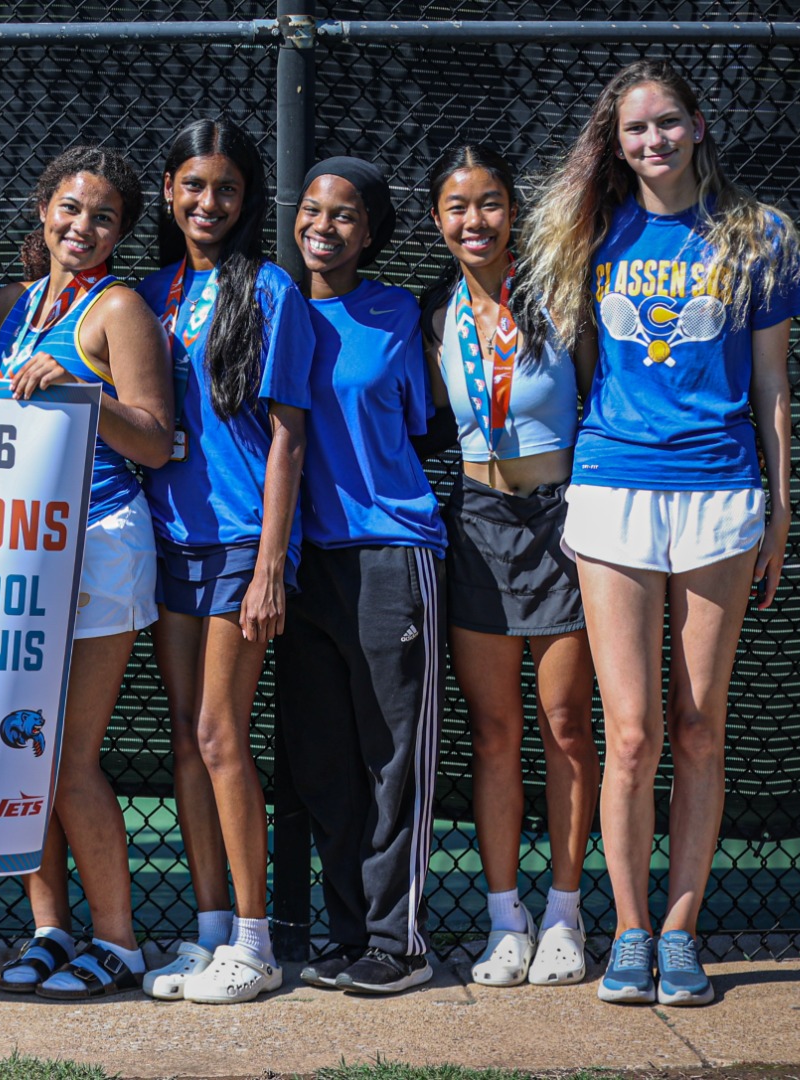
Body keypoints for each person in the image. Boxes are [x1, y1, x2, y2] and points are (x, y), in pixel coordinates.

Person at [519, 59, 800, 1007]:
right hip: (613, 493)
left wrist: (778, 502)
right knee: (632, 735)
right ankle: (630, 933)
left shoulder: (758, 234)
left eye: (669, 123)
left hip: (721, 494)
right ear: (617, 141)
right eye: (636, 129)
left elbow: (771, 385)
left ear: (696, 126)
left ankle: (682, 932)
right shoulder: (591, 228)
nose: (654, 141)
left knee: (697, 727)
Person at [0, 146, 174, 1000]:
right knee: (25, 755)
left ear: (121, 230)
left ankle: (121, 943)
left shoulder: (119, 308)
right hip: (21, 548)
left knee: (70, 760)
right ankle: (51, 930)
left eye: (101, 216)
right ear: (43, 209)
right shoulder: (12, 305)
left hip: (100, 537)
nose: (81, 226)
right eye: (69, 208)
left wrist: (83, 392)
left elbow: (156, 440)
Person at [132, 119, 313, 1005]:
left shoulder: (271, 289)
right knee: (184, 744)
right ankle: (208, 937)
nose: (210, 203)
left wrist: (273, 561)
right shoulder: (148, 293)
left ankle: (256, 941)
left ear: (248, 201)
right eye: (194, 186)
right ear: (169, 191)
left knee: (218, 734)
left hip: (243, 543)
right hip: (168, 539)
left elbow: (287, 437)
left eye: (228, 189)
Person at [418, 144, 600, 989]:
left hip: (565, 519)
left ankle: (564, 912)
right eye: (458, 207)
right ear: (437, 221)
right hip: (479, 519)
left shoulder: (562, 297)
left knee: (565, 724)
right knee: (493, 733)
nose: (474, 222)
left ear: (513, 212)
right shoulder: (435, 312)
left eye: (489, 204)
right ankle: (506, 918)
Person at [278, 157, 446, 997]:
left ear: (371, 233)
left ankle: (400, 941)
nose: (325, 225)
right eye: (313, 209)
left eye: (345, 215)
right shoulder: (271, 304)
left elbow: (417, 422)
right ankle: (349, 936)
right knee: (322, 763)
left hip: (392, 550)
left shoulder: (398, 312)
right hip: (300, 563)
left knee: (392, 756)